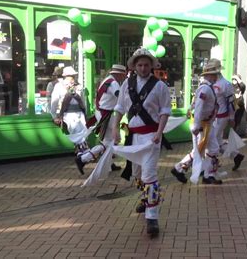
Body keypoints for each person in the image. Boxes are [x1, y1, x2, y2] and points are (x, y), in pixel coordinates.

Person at [112, 47, 171, 237]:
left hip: (151, 138)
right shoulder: (126, 85)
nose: (143, 68)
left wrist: (159, 133)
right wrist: (114, 129)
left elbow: (164, 111)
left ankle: (152, 217)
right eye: (140, 65)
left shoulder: (160, 86)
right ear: (135, 66)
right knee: (137, 174)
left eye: (146, 65)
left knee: (149, 175)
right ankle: (146, 198)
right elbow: (120, 108)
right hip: (133, 137)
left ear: (152, 66)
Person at [170, 62, 221, 185]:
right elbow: (198, 107)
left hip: (207, 124)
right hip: (202, 125)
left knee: (212, 149)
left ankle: (208, 174)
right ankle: (179, 168)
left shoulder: (207, 88)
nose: (217, 77)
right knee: (199, 150)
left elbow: (195, 105)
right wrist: (197, 125)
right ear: (210, 75)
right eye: (215, 74)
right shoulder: (205, 89)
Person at [74, 64, 127, 174]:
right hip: (106, 115)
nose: (124, 78)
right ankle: (83, 159)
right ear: (120, 75)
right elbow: (119, 96)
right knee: (111, 141)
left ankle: (108, 165)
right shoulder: (113, 83)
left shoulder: (107, 80)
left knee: (109, 140)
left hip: (102, 113)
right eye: (123, 76)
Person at [50, 66, 89, 172]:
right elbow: (54, 101)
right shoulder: (59, 86)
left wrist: (85, 113)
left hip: (80, 114)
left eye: (73, 76)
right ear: (65, 76)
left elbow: (83, 101)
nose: (72, 78)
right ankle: (82, 157)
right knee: (78, 136)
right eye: (70, 76)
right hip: (68, 115)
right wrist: (54, 116)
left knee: (83, 135)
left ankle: (82, 156)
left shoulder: (79, 86)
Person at [209, 58, 245, 171]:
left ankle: (210, 167)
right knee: (217, 141)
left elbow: (232, 102)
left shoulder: (226, 84)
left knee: (212, 140)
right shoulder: (212, 82)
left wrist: (231, 117)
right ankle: (236, 156)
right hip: (214, 117)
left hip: (221, 117)